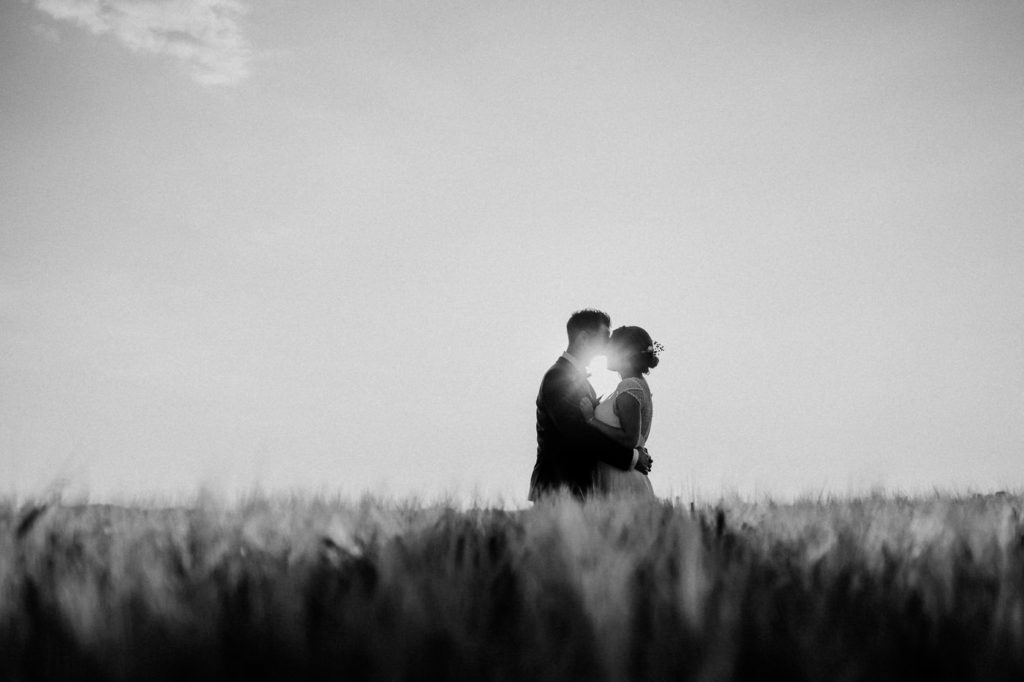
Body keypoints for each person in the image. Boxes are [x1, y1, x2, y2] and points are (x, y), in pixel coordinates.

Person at [529, 310, 653, 501]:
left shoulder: (582, 382)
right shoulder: (558, 377)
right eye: (605, 336)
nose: (609, 343)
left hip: (583, 487)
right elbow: (579, 434)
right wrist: (632, 458)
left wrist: (636, 448)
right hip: (560, 487)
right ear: (585, 338)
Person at [579, 326, 661, 497]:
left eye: (611, 348)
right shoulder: (637, 384)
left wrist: (591, 420)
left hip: (621, 480)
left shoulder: (629, 386)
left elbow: (629, 438)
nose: (605, 353)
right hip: (621, 474)